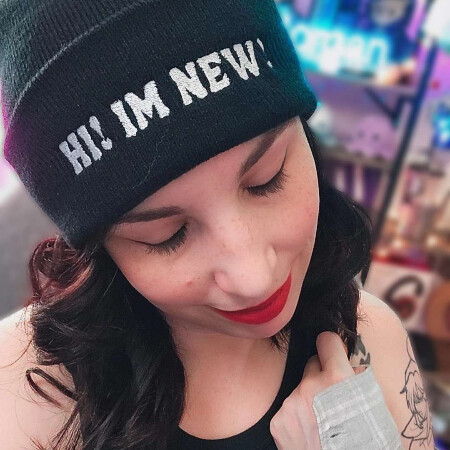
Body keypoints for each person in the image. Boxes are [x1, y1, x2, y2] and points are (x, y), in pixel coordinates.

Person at [0, 0, 436, 449]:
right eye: (166, 236)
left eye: (267, 179)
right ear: (99, 245)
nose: (254, 278)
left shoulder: (370, 336)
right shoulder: (20, 399)